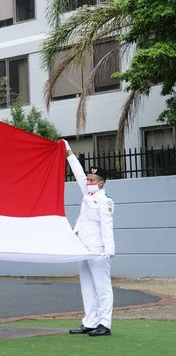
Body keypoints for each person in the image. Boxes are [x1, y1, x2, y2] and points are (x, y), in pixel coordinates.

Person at [63, 140, 115, 337]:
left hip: (98, 250)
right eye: (88, 179)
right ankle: (90, 321)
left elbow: (106, 226)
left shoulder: (105, 200)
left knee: (102, 287)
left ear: (101, 183)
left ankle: (104, 323)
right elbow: (78, 173)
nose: (88, 182)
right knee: (87, 286)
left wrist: (109, 250)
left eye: (92, 180)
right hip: (83, 248)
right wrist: (68, 152)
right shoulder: (88, 193)